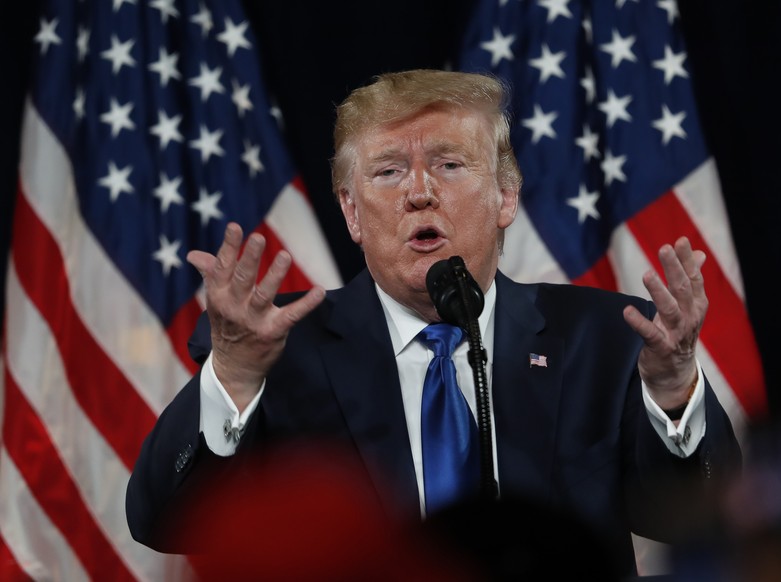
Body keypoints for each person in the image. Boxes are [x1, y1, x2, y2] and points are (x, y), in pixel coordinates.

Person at [126, 69, 741, 575]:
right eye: (389, 171)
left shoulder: (604, 339)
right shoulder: (279, 349)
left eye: (449, 164)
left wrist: (673, 388)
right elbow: (165, 521)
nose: (418, 192)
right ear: (352, 213)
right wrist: (232, 373)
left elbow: (693, 521)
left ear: (505, 195)